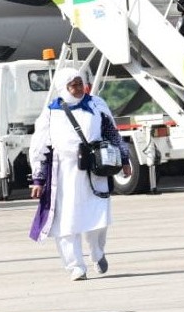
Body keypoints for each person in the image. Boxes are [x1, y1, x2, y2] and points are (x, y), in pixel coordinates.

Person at [28, 68, 131, 280]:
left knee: (99, 215)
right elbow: (40, 147)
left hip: (95, 169)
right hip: (65, 173)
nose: (77, 89)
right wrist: (38, 178)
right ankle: (76, 266)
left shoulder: (96, 104)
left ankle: (97, 251)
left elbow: (112, 133)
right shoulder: (51, 112)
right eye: (72, 85)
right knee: (67, 221)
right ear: (62, 88)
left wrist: (124, 158)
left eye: (79, 83)